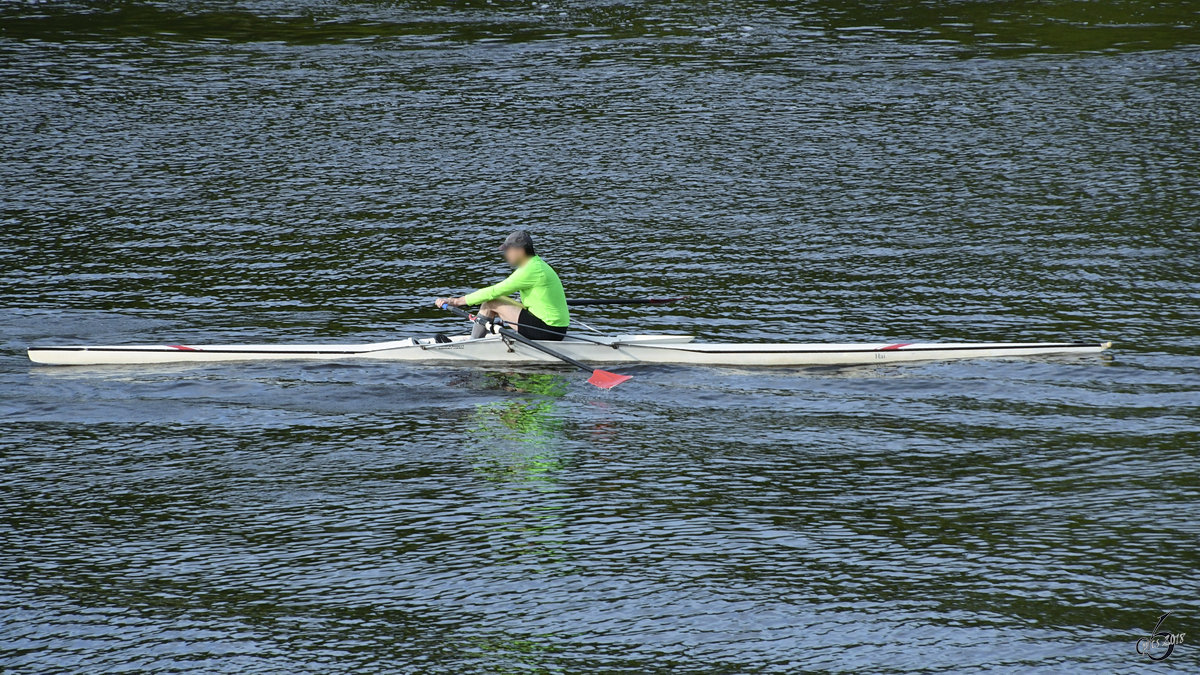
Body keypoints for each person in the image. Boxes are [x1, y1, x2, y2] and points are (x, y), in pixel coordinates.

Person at [435, 230, 570, 341]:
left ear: (520, 251)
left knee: (492, 302)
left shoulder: (530, 270)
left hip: (548, 331)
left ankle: (472, 343)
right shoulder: (536, 265)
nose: (506, 254)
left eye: (508, 250)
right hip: (555, 327)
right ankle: (478, 338)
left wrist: (457, 301)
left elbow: (495, 291)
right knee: (502, 300)